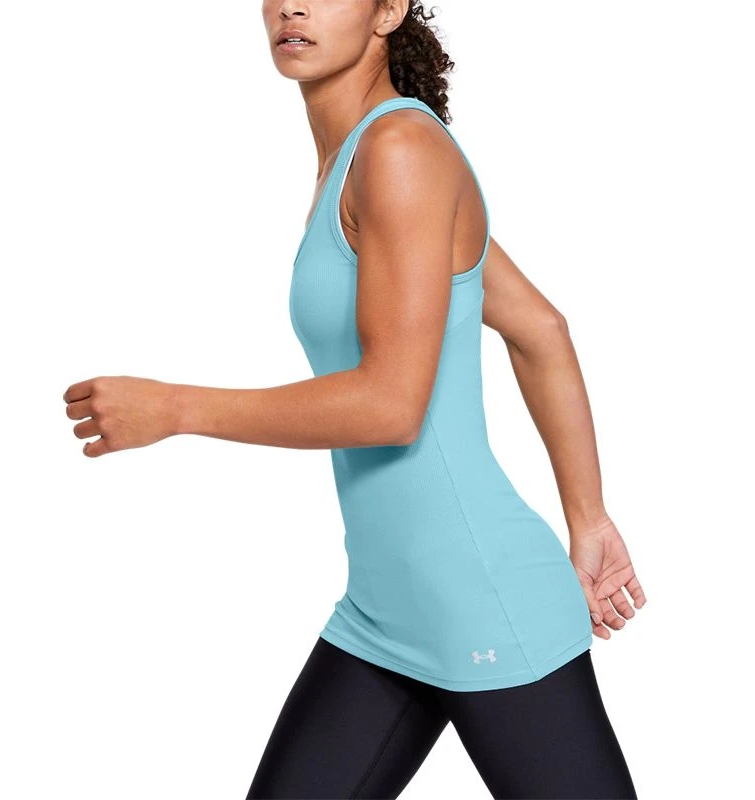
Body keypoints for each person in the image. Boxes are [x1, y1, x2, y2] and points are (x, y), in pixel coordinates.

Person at [63, 1, 646, 797]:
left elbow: (390, 406)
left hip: (482, 601)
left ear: (389, 10)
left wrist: (175, 408)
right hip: (385, 614)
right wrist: (590, 521)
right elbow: (539, 328)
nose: (293, 5)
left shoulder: (402, 150)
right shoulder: (362, 155)